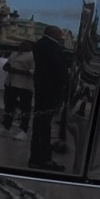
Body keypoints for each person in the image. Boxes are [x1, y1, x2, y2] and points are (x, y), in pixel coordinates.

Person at [29, 25, 70, 168]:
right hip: (51, 91)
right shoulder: (54, 47)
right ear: (53, 33)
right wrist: (68, 82)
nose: (61, 36)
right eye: (60, 33)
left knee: (39, 125)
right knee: (45, 126)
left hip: (41, 89)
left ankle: (36, 157)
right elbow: (59, 69)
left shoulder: (39, 44)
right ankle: (42, 159)